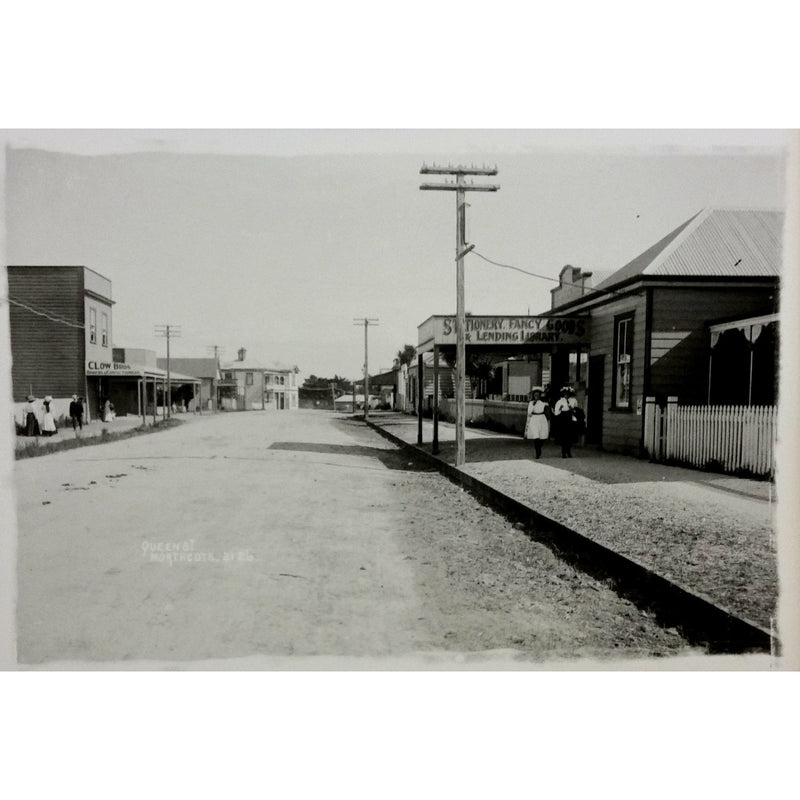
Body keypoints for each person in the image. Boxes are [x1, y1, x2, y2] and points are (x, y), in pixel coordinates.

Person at [523, 386, 550, 459]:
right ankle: (537, 452)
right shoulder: (531, 403)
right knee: (536, 435)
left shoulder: (543, 403)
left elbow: (547, 411)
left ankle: (539, 447)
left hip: (541, 418)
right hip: (534, 419)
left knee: (543, 436)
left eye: (538, 395)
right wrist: (533, 404)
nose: (536, 397)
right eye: (535, 395)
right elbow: (529, 412)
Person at [553, 385, 580, 458]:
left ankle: (568, 450)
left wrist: (573, 410)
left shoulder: (573, 400)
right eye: (565, 394)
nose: (566, 395)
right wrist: (560, 409)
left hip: (570, 419)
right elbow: (556, 413)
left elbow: (576, 410)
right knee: (564, 437)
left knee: (571, 437)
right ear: (563, 394)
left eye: (568, 394)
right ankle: (564, 452)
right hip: (563, 420)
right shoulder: (559, 402)